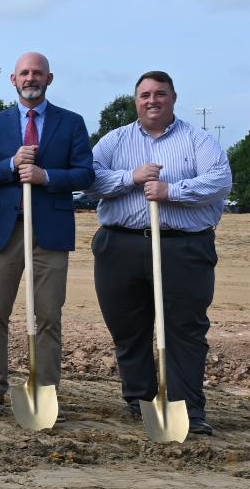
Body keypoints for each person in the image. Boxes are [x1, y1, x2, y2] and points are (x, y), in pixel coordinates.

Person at [86, 71, 230, 437]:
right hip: (121, 245)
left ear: (173, 98)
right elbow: (88, 179)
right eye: (145, 95)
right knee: (128, 328)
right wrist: (130, 178)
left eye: (160, 94)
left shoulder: (199, 140)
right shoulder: (114, 141)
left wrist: (172, 190)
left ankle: (187, 408)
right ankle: (141, 399)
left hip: (183, 246)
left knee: (185, 328)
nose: (152, 100)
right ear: (136, 100)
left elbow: (219, 181)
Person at [0, 52, 94, 413]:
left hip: (50, 230)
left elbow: (86, 174)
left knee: (49, 314)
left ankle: (45, 388)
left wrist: (46, 176)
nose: (31, 78)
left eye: (37, 73)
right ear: (13, 79)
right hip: (5, 230)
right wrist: (11, 165)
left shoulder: (71, 124)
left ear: (49, 79)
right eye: (24, 73)